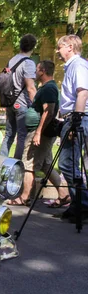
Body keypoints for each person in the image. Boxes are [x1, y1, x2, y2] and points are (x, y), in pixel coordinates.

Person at [7, 60, 70, 207]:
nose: (35, 72)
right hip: (42, 132)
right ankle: (64, 195)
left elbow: (48, 111)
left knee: (29, 165)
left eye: (37, 69)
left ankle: (25, 197)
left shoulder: (49, 88)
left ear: (42, 71)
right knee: (46, 165)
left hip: (39, 132)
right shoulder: (48, 87)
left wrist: (38, 133)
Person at [55, 35, 88, 222]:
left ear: (69, 47)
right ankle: (78, 205)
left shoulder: (78, 65)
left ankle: (82, 205)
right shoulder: (74, 66)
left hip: (77, 118)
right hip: (75, 117)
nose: (58, 52)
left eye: (59, 47)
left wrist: (76, 120)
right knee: (71, 163)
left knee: (67, 163)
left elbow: (82, 92)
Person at [0, 34, 38, 159]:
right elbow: (30, 87)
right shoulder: (28, 63)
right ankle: (17, 165)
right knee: (22, 136)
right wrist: (37, 105)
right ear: (33, 47)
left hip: (10, 102)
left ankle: (1, 162)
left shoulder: (12, 60)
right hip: (22, 103)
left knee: (9, 135)